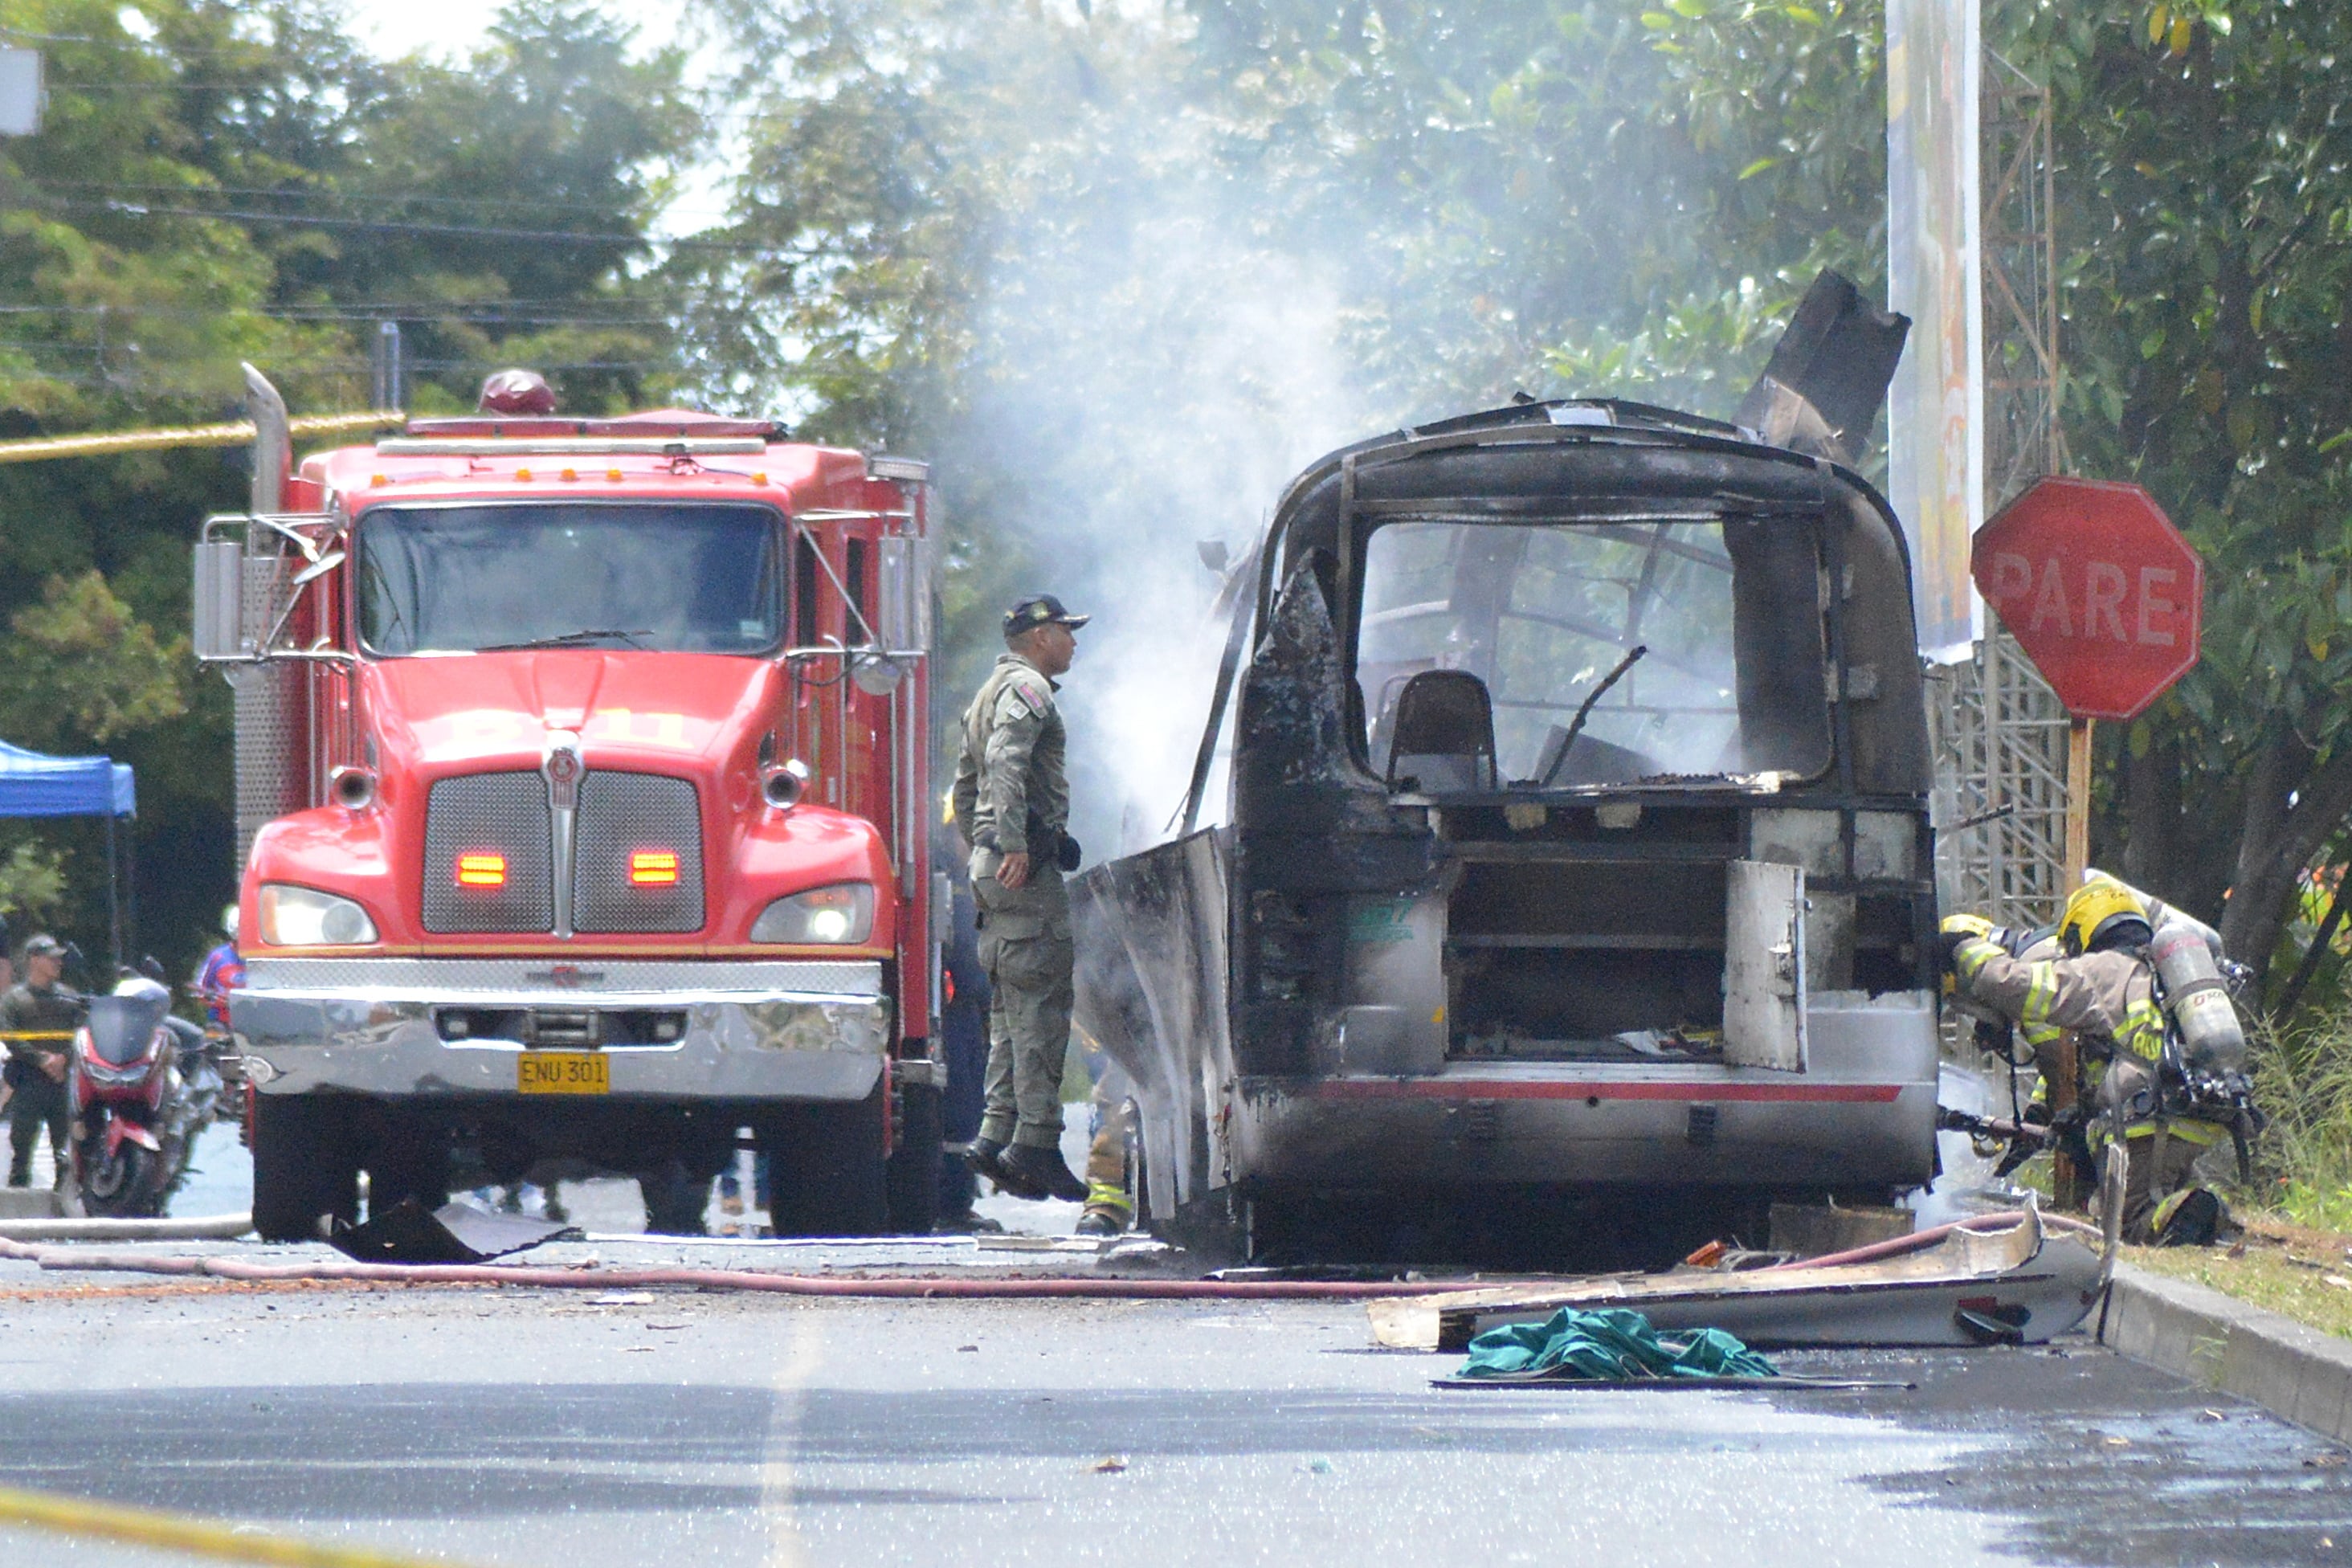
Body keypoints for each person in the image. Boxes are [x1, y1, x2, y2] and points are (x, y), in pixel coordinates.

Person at [1941, 878, 2232, 1246]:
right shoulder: (2156, 969)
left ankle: (2195, 1210)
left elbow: (2015, 985)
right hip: (2200, 1107)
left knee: (2130, 1223)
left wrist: (1963, 947)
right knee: (2159, 1188)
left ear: (2084, 930)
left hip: (2153, 1114)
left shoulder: (2103, 969)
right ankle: (2203, 1213)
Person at [952, 594, 1091, 1203]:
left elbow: (963, 783)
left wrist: (980, 848)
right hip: (1020, 869)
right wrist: (1013, 845)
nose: (1073, 642)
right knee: (1042, 1004)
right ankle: (1035, 1144)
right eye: (1066, 630)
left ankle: (996, 1135)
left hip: (994, 867)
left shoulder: (986, 695)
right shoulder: (1028, 690)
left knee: (1010, 1010)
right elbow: (1006, 763)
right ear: (1039, 636)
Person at [1, 936, 82, 1189]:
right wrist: (41, 1059)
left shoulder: (70, 998)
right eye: (51, 957)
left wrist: (63, 1059)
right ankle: (16, 1210)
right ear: (33, 960)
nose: (58, 962)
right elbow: (7, 1033)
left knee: (66, 1149)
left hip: (62, 1082)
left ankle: (66, 1203)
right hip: (29, 1080)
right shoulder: (14, 999)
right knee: (22, 1143)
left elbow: (82, 1032)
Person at [193, 904, 243, 1032]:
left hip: (255, 1022)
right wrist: (217, 999)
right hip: (221, 1022)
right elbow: (199, 989)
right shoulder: (218, 957)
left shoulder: (263, 959)